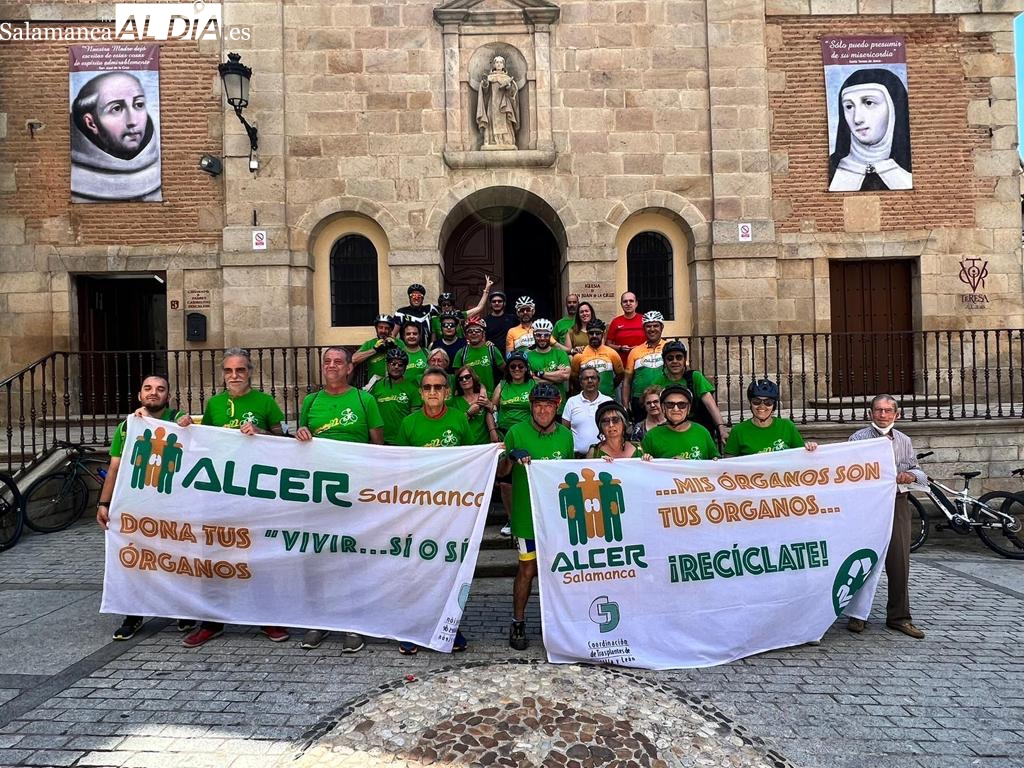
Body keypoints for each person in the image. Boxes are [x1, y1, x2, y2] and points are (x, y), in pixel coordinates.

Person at [182, 349, 289, 648]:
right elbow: (201, 439)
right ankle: (212, 622)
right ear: (222, 374)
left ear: (250, 372)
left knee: (259, 556)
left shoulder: (265, 402)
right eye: (229, 371)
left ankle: (266, 618)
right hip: (220, 492)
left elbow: (284, 442)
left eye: (240, 370)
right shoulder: (214, 404)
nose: (234, 375)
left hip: (255, 491)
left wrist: (261, 431)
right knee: (215, 556)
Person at [294, 346, 384, 651]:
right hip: (318, 494)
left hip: (354, 494)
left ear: (349, 369)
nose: (331, 366)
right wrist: (301, 433)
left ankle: (352, 622)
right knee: (318, 559)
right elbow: (298, 444)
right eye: (327, 361)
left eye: (338, 362)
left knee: (350, 559)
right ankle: (319, 621)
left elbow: (378, 446)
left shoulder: (365, 399)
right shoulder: (311, 401)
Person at [96, 375, 190, 641]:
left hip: (173, 505)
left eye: (160, 389)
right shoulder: (128, 426)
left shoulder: (179, 419)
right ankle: (133, 614)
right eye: (148, 389)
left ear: (168, 396)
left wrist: (188, 425)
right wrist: (104, 503)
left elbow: (199, 437)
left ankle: (183, 611)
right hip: (137, 504)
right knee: (135, 561)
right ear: (140, 395)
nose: (153, 393)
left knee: (176, 558)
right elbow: (115, 466)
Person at [396, 366, 472, 654]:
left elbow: (470, 461)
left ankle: (450, 626)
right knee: (416, 569)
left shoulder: (458, 420)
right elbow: (402, 468)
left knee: (449, 570)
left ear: (447, 392)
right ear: (420, 392)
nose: (432, 392)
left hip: (451, 509)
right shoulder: (409, 424)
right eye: (427, 387)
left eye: (438, 387)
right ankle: (413, 629)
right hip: (418, 508)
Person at [497, 383, 574, 650]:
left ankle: (559, 624)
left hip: (557, 518)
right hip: (527, 517)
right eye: (538, 405)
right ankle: (518, 621)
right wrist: (510, 456)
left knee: (559, 571)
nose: (542, 410)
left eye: (548, 405)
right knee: (527, 569)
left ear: (556, 407)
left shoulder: (566, 435)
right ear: (531, 406)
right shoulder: (516, 432)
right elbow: (500, 473)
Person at [847, 394, 926, 639]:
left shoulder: (904, 440)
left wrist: (911, 476)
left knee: (899, 560)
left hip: (897, 503)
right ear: (870, 413)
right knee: (863, 557)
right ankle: (857, 615)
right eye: (878, 410)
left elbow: (917, 470)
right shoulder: (858, 438)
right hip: (868, 506)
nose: (883, 415)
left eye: (888, 411)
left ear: (896, 414)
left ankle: (899, 616)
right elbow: (846, 469)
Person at [71, 71, 161, 202]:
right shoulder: (75, 182)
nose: (133, 121)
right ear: (91, 123)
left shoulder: (157, 167)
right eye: (116, 108)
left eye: (139, 104)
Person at [828, 68, 912, 192]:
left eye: (868, 103)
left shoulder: (911, 168)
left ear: (893, 108)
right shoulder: (832, 170)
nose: (857, 119)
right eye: (849, 107)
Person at [492, 350, 535, 537]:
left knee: (527, 478)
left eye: (521, 366)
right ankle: (511, 518)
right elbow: (492, 408)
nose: (517, 369)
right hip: (505, 436)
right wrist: (493, 431)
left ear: (526, 368)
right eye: (513, 366)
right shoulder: (502, 385)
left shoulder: (533, 384)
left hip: (527, 435)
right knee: (505, 481)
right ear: (508, 369)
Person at [654, 340, 729, 447]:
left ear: (685, 359)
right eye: (670, 358)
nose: (674, 361)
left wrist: (721, 428)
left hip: (697, 425)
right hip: (671, 426)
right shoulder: (658, 382)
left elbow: (710, 404)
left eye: (679, 357)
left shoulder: (695, 377)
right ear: (665, 361)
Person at [723, 379, 817, 456]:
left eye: (768, 402)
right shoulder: (738, 431)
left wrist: (810, 448)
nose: (762, 406)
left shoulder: (787, 426)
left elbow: (801, 456)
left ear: (774, 406)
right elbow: (729, 464)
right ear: (750, 404)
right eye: (756, 401)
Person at [641, 384, 719, 460]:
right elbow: (638, 467)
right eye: (670, 404)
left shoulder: (702, 432)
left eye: (682, 404)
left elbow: (716, 464)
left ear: (688, 408)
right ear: (663, 408)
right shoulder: (651, 436)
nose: (676, 409)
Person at [369, 347, 422, 445]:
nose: (396, 367)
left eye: (400, 365)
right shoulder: (377, 385)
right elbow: (371, 414)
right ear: (387, 365)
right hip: (380, 441)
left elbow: (415, 417)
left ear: (405, 368)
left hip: (403, 442)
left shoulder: (412, 388)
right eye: (393, 363)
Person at [622, 311, 668, 420]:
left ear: (661, 327)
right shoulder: (635, 351)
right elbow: (627, 381)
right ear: (644, 328)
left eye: (656, 325)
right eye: (648, 326)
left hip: (665, 399)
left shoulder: (669, 347)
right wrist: (625, 405)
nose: (652, 329)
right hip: (640, 401)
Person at [561, 364, 612, 457]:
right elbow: (564, 431)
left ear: (598, 381)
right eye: (586, 378)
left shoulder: (608, 401)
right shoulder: (572, 402)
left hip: (604, 457)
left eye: (593, 378)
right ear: (581, 383)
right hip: (577, 457)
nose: (590, 381)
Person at [525, 319, 570, 413]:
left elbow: (565, 375)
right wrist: (556, 376)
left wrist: (539, 374)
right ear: (534, 335)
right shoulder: (527, 355)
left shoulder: (560, 353)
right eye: (538, 335)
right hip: (536, 406)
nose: (542, 338)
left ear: (550, 336)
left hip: (558, 405)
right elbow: (530, 380)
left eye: (546, 335)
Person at [570, 319, 623, 398]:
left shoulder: (612, 353)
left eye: (597, 333)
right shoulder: (579, 355)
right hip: (586, 400)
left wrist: (610, 387)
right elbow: (574, 378)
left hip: (608, 399)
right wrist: (583, 390)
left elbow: (620, 375)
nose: (594, 336)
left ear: (603, 334)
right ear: (587, 334)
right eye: (591, 333)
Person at [428, 276, 493, 341]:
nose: (446, 307)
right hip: (442, 348)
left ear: (453, 306)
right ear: (440, 306)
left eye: (449, 304)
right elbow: (433, 341)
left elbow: (479, 308)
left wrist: (486, 290)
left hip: (459, 348)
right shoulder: (435, 320)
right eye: (444, 305)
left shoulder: (459, 315)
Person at [452, 316, 505, 396]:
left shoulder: (492, 350)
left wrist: (499, 391)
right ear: (466, 335)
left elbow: (506, 371)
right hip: (468, 398)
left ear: (483, 333)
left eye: (477, 331)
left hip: (490, 397)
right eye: (470, 331)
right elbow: (457, 378)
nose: (474, 333)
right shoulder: (461, 353)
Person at [476, 54, 519, 149]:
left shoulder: (507, 78)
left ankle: (506, 141)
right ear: (494, 65)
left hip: (504, 104)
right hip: (492, 104)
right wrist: (485, 84)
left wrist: (508, 87)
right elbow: (485, 93)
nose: (499, 64)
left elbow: (513, 93)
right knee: (491, 121)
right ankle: (493, 141)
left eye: (500, 62)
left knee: (506, 121)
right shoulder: (490, 78)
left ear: (503, 65)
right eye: (497, 62)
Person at [449, 366, 500, 446]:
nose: (464, 380)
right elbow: (454, 424)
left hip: (485, 444)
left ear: (473, 377)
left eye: (467, 377)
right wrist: (469, 413)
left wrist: (491, 406)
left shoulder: (487, 396)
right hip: (464, 446)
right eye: (461, 378)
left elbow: (499, 418)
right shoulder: (455, 401)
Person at [353, 314, 403, 382]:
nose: (383, 331)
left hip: (394, 385)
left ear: (391, 329)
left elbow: (409, 359)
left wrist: (395, 348)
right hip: (374, 387)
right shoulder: (369, 343)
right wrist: (374, 350)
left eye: (386, 328)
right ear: (376, 328)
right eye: (380, 327)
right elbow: (354, 359)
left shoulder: (398, 343)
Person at [606, 292, 645, 357]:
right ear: (621, 304)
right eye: (625, 301)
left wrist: (639, 348)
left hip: (642, 360)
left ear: (636, 304)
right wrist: (620, 348)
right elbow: (608, 344)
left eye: (631, 301)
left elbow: (651, 341)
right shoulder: (616, 322)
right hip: (621, 362)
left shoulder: (644, 320)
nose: (628, 304)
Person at [400, 321, 430, 385]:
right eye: (408, 334)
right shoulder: (398, 354)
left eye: (415, 333)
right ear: (403, 336)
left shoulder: (427, 353)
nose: (411, 336)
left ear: (419, 335)